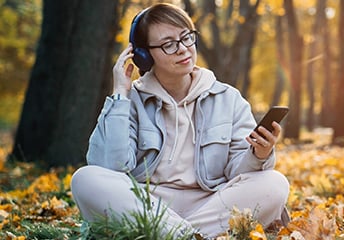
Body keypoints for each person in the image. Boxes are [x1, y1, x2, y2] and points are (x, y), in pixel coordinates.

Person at [70, 3, 290, 238]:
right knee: (85, 179)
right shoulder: (130, 100)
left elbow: (239, 173)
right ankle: (189, 235)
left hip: (211, 205)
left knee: (274, 183)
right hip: (147, 205)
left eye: (186, 38)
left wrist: (259, 154)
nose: (183, 49)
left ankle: (170, 235)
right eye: (169, 44)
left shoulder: (228, 98)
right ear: (144, 56)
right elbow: (110, 166)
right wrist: (120, 95)